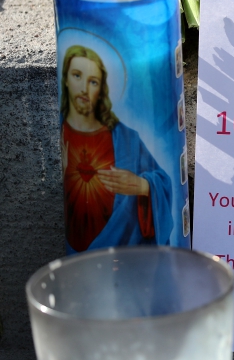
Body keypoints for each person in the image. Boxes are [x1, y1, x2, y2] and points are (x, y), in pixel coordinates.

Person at [60, 43, 173, 253]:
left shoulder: (125, 138)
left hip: (124, 259)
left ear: (101, 90)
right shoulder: (60, 131)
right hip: (74, 260)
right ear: (65, 79)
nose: (84, 88)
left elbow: (163, 181)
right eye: (77, 75)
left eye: (93, 82)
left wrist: (142, 186)